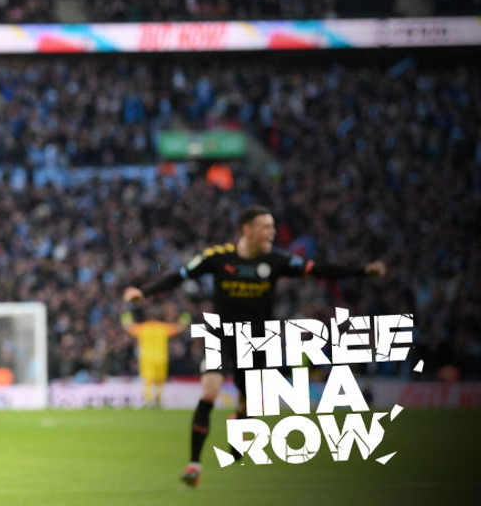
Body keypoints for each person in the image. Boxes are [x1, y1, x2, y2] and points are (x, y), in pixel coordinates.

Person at [123, 205, 386, 488]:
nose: (272, 232)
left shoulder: (277, 260)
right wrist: (144, 292)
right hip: (220, 335)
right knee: (209, 392)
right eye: (266, 226)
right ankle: (194, 464)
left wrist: (363, 271)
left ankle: (239, 430)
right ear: (246, 229)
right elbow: (179, 275)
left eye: (272, 227)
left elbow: (320, 270)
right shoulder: (217, 258)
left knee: (247, 404)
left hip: (257, 339)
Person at [121, 304, 189, 408]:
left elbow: (128, 327)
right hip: (161, 358)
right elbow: (180, 327)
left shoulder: (144, 328)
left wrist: (125, 315)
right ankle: (158, 400)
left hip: (147, 359)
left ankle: (149, 401)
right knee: (160, 380)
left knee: (148, 380)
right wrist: (185, 317)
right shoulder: (163, 328)